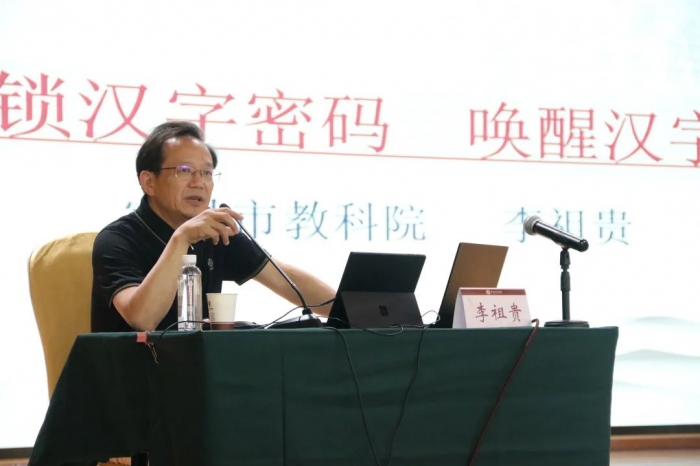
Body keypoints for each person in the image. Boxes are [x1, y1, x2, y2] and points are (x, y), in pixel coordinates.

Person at [91, 121, 336, 332]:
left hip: (199, 365)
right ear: (149, 182)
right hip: (134, 369)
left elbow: (284, 279)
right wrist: (181, 239)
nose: (199, 183)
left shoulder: (216, 232)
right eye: (185, 171)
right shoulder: (117, 239)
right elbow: (142, 319)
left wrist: (349, 311)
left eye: (207, 173)